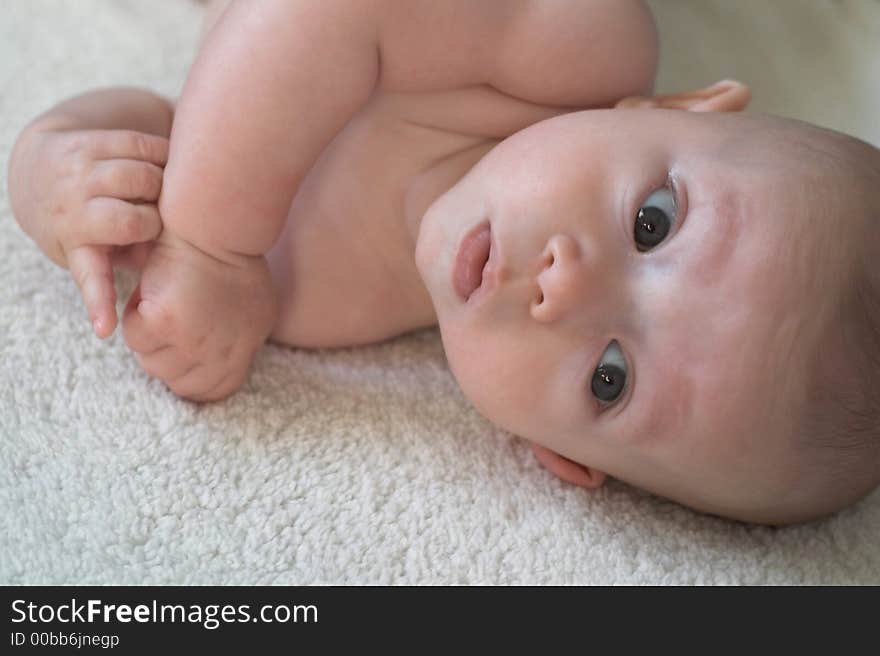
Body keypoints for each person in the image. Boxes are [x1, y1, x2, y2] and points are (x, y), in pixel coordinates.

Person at [8, 0, 879, 525]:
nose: (562, 286)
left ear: (556, 454)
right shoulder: (571, 44)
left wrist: (55, 168)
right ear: (682, 106)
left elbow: (168, 129)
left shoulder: (306, 301)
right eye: (653, 222)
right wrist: (206, 244)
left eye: (609, 379)